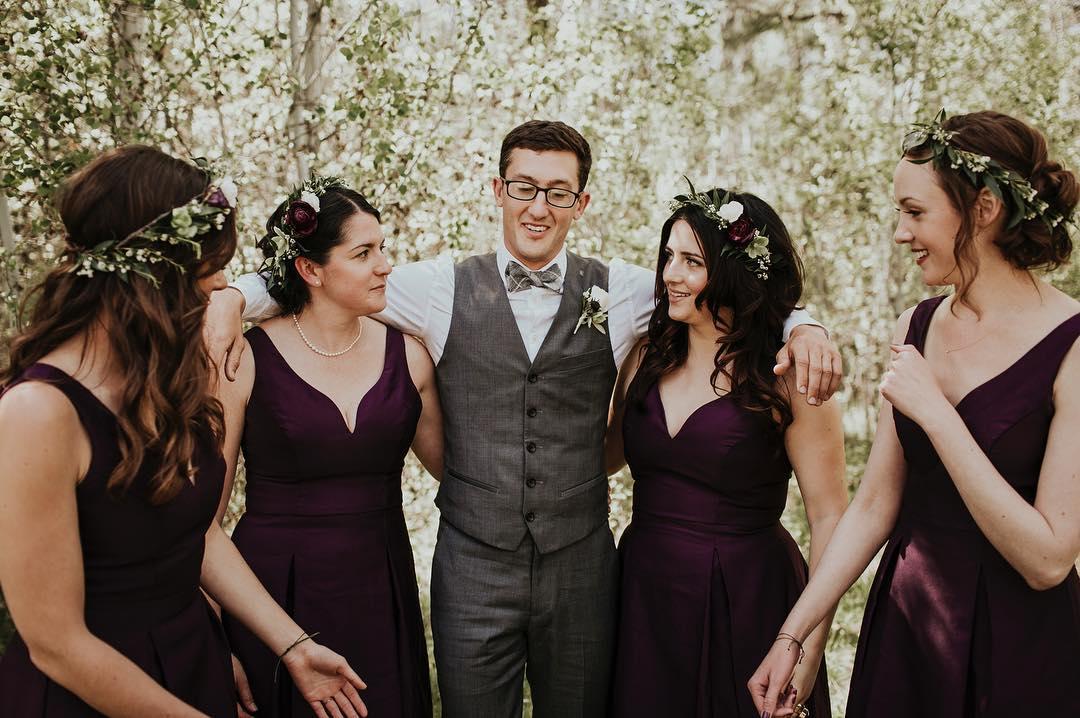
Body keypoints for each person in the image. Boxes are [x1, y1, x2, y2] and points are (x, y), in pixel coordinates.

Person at [210, 121, 843, 718]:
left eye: (558, 192)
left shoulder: (625, 290)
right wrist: (235, 297)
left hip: (583, 568)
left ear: (581, 203)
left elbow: (731, 290)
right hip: (472, 568)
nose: (539, 207)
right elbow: (325, 279)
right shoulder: (435, 288)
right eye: (523, 187)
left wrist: (803, 324)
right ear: (497, 190)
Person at [0, 146, 368, 718]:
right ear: (152, 274)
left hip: (192, 657)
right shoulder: (37, 412)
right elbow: (57, 644)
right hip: (95, 692)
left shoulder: (166, 377)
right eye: (209, 267)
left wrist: (293, 645)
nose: (222, 284)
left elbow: (191, 532)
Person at [749, 110, 1080, 718]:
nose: (901, 233)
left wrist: (937, 415)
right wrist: (792, 636)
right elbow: (875, 505)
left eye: (915, 211)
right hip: (907, 630)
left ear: (984, 209)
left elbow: (1049, 560)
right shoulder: (916, 326)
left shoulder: (1073, 344)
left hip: (1017, 647)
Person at [605, 183, 847, 717]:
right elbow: (605, 457)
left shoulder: (789, 375)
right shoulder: (645, 355)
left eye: (692, 261)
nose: (670, 274)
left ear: (736, 272)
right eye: (668, 256)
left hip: (747, 594)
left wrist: (806, 648)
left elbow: (830, 516)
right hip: (643, 590)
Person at [216, 174, 442, 717]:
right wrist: (217, 640)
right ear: (311, 270)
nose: (385, 265)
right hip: (274, 595)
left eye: (382, 248)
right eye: (363, 253)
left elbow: (459, 472)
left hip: (381, 587)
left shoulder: (411, 356)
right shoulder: (242, 358)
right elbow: (202, 521)